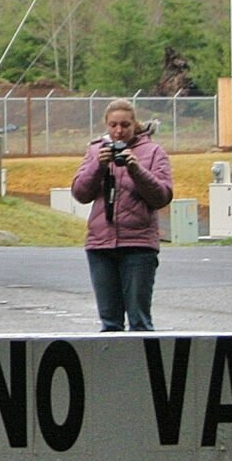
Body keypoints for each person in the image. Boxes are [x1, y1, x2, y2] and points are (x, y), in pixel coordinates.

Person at [71, 99, 174, 332]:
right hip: (100, 245)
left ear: (134, 124)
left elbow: (162, 197)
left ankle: (145, 366)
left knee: (139, 319)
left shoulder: (153, 152)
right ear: (106, 125)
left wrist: (136, 170)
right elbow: (80, 193)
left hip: (138, 244)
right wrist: (98, 165)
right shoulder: (96, 150)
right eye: (113, 125)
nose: (119, 131)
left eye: (125, 125)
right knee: (109, 322)